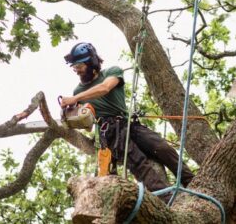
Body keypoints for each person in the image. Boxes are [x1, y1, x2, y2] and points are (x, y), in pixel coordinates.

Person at [61, 42, 194, 202]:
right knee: (138, 162)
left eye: (79, 65)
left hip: (128, 123)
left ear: (92, 62)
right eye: (74, 67)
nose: (77, 70)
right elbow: (88, 126)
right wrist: (73, 114)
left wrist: (75, 99)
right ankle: (167, 198)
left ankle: (191, 182)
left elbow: (105, 88)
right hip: (109, 131)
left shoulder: (111, 72)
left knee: (161, 147)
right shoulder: (78, 91)